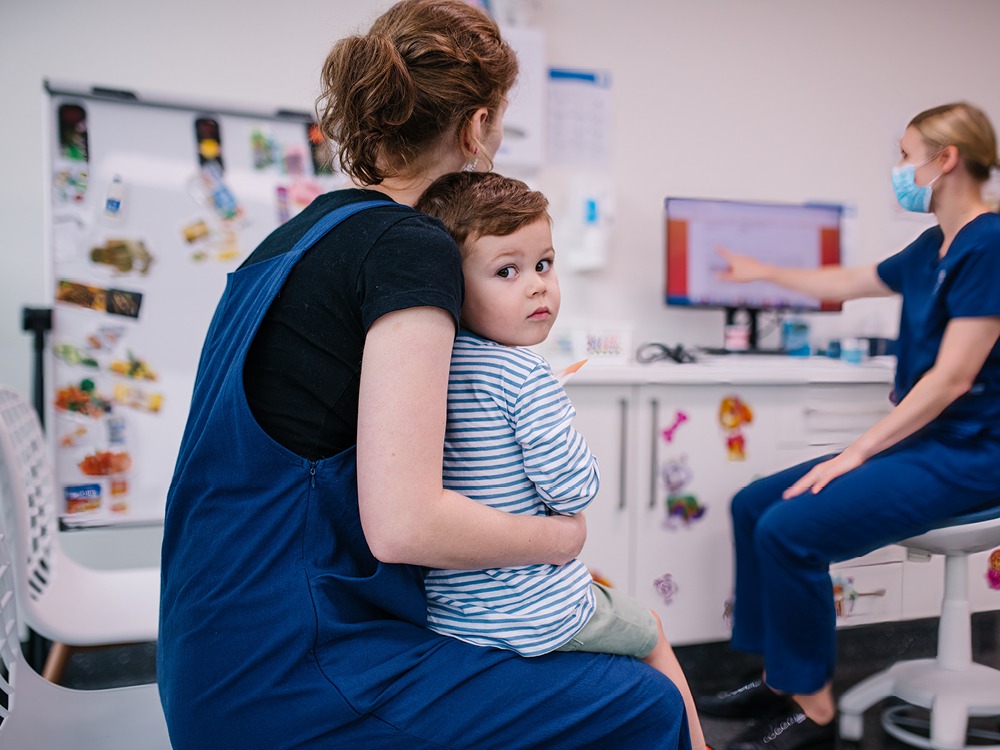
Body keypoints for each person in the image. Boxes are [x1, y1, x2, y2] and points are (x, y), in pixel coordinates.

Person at [157, 2, 693, 747]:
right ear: (477, 127)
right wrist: (561, 541)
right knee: (643, 702)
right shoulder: (410, 248)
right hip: (292, 671)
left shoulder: (299, 234)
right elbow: (405, 522)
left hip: (206, 646)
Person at [695, 101, 1000, 750]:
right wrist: (765, 271)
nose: (897, 168)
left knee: (789, 530)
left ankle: (815, 714)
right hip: (930, 443)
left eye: (904, 153)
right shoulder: (931, 245)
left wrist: (853, 453)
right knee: (754, 504)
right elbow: (853, 278)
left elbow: (951, 378)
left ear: (944, 160)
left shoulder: (991, 245)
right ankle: (779, 677)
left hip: (976, 453)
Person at [415, 171, 707, 750]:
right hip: (536, 612)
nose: (536, 287)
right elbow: (573, 492)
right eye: (507, 271)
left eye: (543, 264)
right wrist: (557, 408)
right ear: (452, 283)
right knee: (651, 630)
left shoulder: (432, 363)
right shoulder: (525, 375)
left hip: (454, 615)